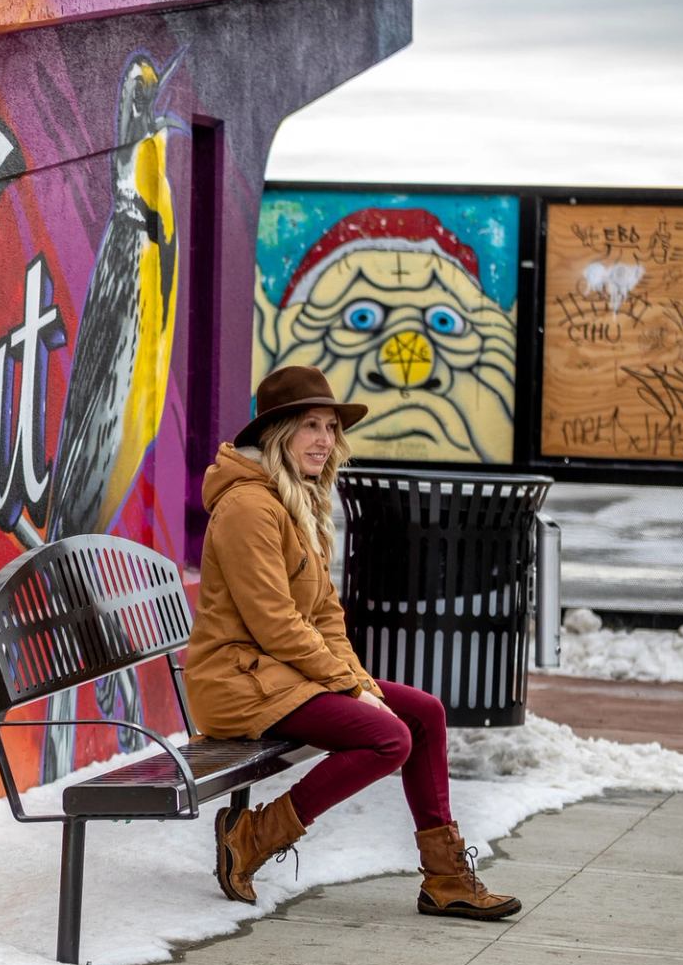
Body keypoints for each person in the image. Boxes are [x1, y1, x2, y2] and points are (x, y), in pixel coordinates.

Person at [185, 364, 519, 920]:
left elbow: (324, 616)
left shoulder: (297, 501)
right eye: (311, 426)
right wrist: (348, 685)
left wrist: (357, 680)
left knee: (424, 714)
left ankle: (445, 877)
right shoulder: (249, 507)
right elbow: (276, 624)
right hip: (238, 682)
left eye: (331, 428)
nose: (325, 440)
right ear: (277, 434)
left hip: (279, 675)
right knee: (388, 737)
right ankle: (253, 837)